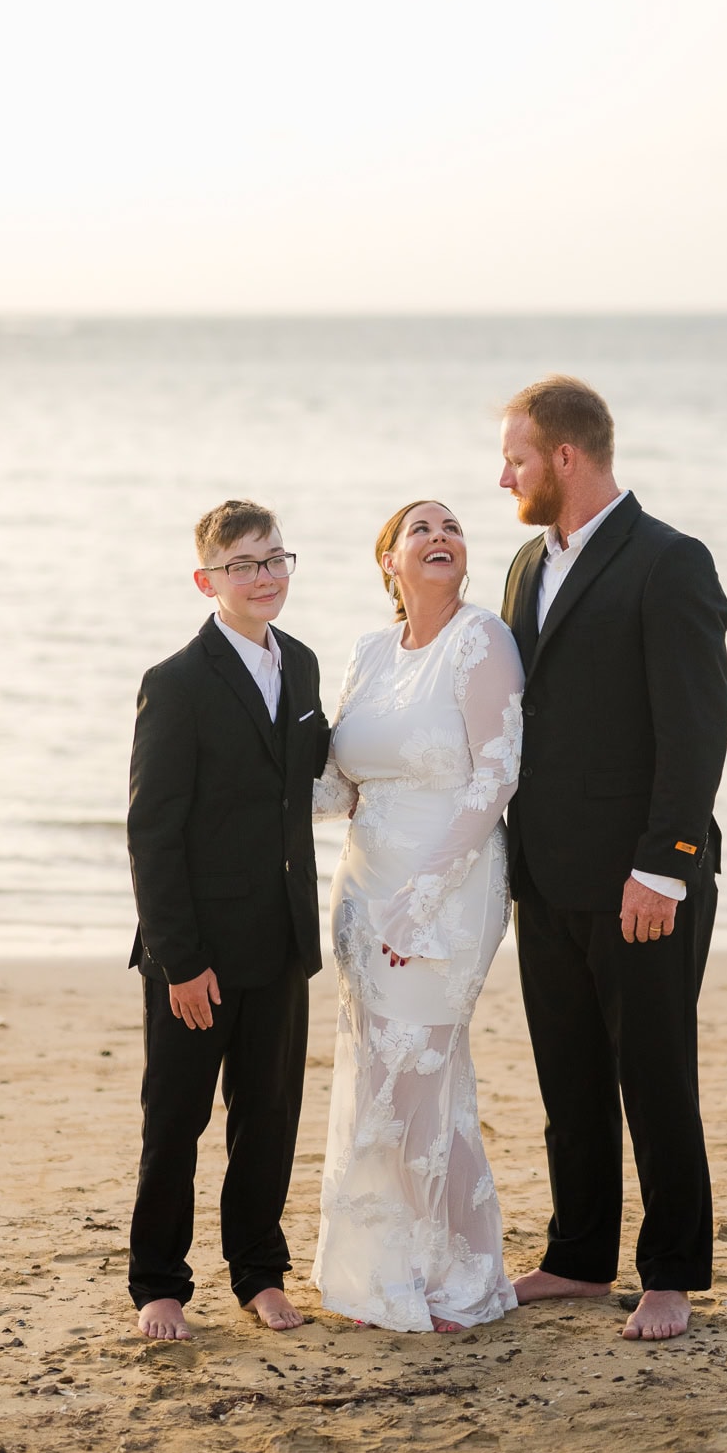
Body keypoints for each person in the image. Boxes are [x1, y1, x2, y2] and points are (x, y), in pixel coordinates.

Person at [498, 376, 727, 1342]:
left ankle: (672, 1269)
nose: (501, 473)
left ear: (564, 458)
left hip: (643, 878)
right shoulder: (524, 564)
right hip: (543, 873)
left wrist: (665, 864)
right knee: (570, 1078)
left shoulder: (668, 561)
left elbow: (695, 727)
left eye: (514, 456)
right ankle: (579, 1256)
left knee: (654, 1073)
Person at [311, 500, 523, 1333]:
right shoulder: (368, 653)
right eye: (419, 530)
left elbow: (495, 779)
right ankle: (402, 1271)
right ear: (387, 562)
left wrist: (420, 902)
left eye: (452, 528)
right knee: (388, 1084)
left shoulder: (482, 640)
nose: (440, 537)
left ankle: (456, 1280)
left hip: (449, 891)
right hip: (364, 891)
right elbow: (338, 784)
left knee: (415, 1079)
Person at [124, 498, 330, 1342]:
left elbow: (312, 780)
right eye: (245, 565)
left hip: (281, 941)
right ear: (208, 579)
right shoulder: (174, 684)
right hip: (196, 952)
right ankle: (158, 1284)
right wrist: (179, 961)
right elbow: (152, 831)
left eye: (276, 558)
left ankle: (258, 1272)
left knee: (270, 1115)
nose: (266, 577)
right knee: (176, 1119)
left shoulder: (305, 665)